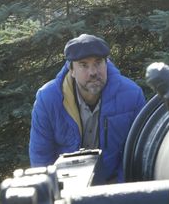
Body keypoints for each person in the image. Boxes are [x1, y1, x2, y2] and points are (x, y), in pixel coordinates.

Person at [29, 34, 146, 182]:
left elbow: (137, 151)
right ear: (71, 70)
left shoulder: (132, 95)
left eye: (98, 63)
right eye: (83, 65)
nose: (93, 72)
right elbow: (41, 156)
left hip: (114, 183)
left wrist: (120, 192)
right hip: (66, 186)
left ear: (106, 62)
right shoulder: (48, 99)